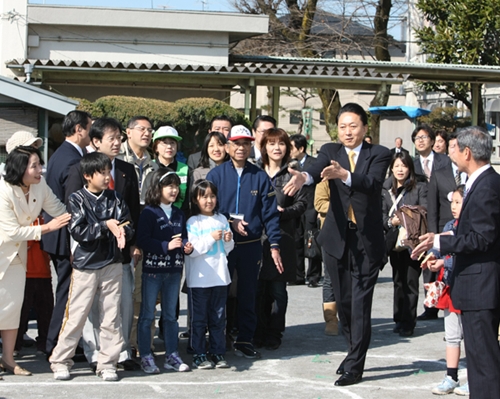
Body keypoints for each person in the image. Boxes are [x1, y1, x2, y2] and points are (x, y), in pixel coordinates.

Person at [283, 102, 392, 386]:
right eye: (342, 126)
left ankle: (355, 366)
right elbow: (317, 169)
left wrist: (344, 175)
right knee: (343, 305)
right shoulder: (331, 151)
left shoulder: (378, 154)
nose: (347, 131)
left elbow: (371, 183)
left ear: (365, 129)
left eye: (353, 126)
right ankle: (352, 351)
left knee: (359, 304)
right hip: (337, 239)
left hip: (366, 241)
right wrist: (304, 176)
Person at [411, 126, 500, 399]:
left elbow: (482, 238)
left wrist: (441, 243)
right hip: (476, 285)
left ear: (468, 152)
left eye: (454, 148)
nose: (451, 153)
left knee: (483, 363)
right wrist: (441, 237)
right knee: (479, 360)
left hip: (480, 285)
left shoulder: (487, 185)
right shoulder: (482, 181)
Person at [65, 118, 141, 371]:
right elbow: (74, 212)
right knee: (88, 305)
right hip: (88, 250)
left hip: (118, 252)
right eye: (112, 138)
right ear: (96, 142)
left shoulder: (127, 170)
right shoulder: (80, 169)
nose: (118, 142)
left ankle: (121, 351)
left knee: (122, 302)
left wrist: (133, 241)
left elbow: (132, 214)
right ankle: (93, 352)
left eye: (120, 137)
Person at [49, 152, 133, 382]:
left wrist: (124, 231)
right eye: (102, 173)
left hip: (112, 264)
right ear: (87, 175)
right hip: (86, 265)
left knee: (111, 316)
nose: (107, 177)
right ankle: (60, 360)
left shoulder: (115, 199)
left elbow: (127, 223)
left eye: (108, 172)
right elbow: (79, 231)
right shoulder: (76, 199)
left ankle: (107, 363)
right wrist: (107, 226)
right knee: (76, 315)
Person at [207, 125, 283, 359]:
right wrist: (229, 222)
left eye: (246, 144)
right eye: (236, 143)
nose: (241, 148)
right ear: (227, 146)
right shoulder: (215, 175)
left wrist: (274, 245)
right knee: (219, 293)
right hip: (222, 245)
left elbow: (270, 213)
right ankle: (218, 338)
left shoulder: (259, 176)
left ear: (251, 147)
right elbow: (207, 208)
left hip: (250, 246)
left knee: (249, 293)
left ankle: (244, 339)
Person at [0, 146, 70, 378]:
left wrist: (83, 217)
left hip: (17, 259)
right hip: (2, 253)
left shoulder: (39, 185)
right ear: (20, 168)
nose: (40, 169)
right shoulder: (3, 190)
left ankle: (8, 360)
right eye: (35, 165)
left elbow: (59, 210)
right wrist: (47, 228)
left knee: (11, 311)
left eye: (40, 164)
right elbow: (11, 232)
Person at [44, 110, 92, 357]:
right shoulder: (72, 160)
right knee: (69, 292)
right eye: (89, 127)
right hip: (65, 238)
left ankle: (56, 343)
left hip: (58, 236)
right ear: (79, 129)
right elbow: (74, 206)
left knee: (66, 290)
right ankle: (58, 345)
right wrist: (76, 246)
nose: (91, 133)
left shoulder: (59, 154)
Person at [254, 128, 308, 350]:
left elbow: (303, 204)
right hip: (256, 238)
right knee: (257, 289)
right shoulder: (254, 172)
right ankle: (257, 330)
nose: (277, 148)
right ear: (264, 146)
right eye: (272, 143)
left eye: (281, 144)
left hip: (283, 237)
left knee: (277, 288)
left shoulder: (293, 174)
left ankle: (275, 332)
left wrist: (282, 212)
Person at [136, 169, 193, 374]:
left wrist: (187, 245)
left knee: (170, 316)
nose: (174, 190)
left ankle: (172, 355)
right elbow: (142, 239)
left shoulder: (179, 213)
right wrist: (165, 246)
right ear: (158, 188)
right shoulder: (149, 212)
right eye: (169, 185)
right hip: (152, 270)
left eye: (176, 186)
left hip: (174, 271)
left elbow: (184, 236)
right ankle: (145, 355)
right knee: (147, 315)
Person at [422, 186, 469, 395]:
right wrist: (432, 256)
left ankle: (474, 377)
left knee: (472, 336)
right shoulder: (451, 224)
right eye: (453, 202)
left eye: (459, 202)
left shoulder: (472, 228)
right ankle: (451, 376)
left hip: (470, 288)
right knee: (451, 335)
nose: (454, 207)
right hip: (450, 288)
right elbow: (439, 244)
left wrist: (444, 262)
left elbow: (463, 255)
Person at [117, 115, 158, 357]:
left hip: (146, 234)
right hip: (120, 234)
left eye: (149, 130)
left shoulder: (153, 165)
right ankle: (121, 347)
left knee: (143, 294)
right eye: (141, 129)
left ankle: (142, 345)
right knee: (120, 295)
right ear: (128, 132)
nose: (146, 133)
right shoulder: (117, 160)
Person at [185, 180, 234, 369]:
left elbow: (228, 249)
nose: (209, 200)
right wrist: (211, 237)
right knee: (199, 319)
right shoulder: (193, 221)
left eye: (212, 196)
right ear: (195, 199)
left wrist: (229, 240)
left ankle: (217, 352)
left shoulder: (222, 219)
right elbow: (193, 250)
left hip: (220, 277)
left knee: (218, 317)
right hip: (199, 279)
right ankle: (198, 353)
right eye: (204, 196)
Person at [382, 151, 428, 337]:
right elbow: (381, 214)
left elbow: (424, 211)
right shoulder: (385, 189)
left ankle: (409, 322)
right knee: (398, 280)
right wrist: (389, 222)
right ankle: (398, 318)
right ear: (391, 168)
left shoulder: (419, 188)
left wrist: (405, 216)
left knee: (410, 280)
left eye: (404, 166)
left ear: (410, 168)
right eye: (397, 166)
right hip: (394, 240)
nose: (400, 170)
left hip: (413, 241)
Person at [411, 123, 450, 321]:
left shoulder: (445, 161)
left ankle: (447, 302)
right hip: (421, 219)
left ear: (433, 141)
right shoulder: (411, 164)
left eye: (424, 137)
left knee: (446, 262)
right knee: (428, 262)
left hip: (444, 215)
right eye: (417, 138)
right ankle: (430, 306)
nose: (421, 140)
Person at [289, 133, 321, 287]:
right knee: (296, 241)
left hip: (311, 208)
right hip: (295, 209)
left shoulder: (314, 164)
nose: (289, 151)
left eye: (292, 147)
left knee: (311, 241)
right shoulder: (289, 164)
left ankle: (314, 276)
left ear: (301, 148)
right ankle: (298, 275)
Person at [427, 132, 467, 235]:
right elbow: (432, 209)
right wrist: (433, 236)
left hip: (469, 230)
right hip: (445, 229)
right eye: (451, 146)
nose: (455, 150)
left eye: (458, 146)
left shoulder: (471, 173)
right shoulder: (438, 175)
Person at [314, 180, 339, 336]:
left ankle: (349, 318)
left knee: (350, 278)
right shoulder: (324, 184)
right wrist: (343, 205)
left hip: (353, 234)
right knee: (330, 277)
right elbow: (319, 203)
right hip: (330, 234)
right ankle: (331, 320)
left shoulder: (354, 181)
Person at [148, 126, 190, 214]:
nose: (169, 146)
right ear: (156, 147)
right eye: (164, 143)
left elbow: (186, 200)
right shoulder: (148, 167)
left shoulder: (185, 169)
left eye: (172, 143)